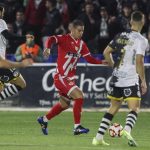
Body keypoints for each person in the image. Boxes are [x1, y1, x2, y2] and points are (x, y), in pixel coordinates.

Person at [37, 19, 105, 135]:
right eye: (79, 30)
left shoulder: (81, 44)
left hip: (70, 78)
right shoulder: (64, 39)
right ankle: (77, 127)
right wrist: (48, 47)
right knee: (79, 95)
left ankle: (44, 119)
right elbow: (51, 39)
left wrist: (102, 63)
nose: (81, 33)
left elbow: (89, 59)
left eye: (82, 31)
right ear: (72, 29)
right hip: (61, 77)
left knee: (64, 104)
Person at [92, 11, 149, 147]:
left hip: (117, 77)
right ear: (143, 22)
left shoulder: (120, 36)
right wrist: (143, 80)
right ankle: (127, 130)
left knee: (113, 107)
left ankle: (98, 138)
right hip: (130, 78)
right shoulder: (142, 40)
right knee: (134, 108)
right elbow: (139, 61)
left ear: (130, 22)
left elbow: (106, 52)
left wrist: (113, 66)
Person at [0, 4, 31, 101]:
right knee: (21, 84)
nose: (3, 14)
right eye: (2, 11)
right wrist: (25, 38)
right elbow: (8, 35)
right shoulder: (1, 22)